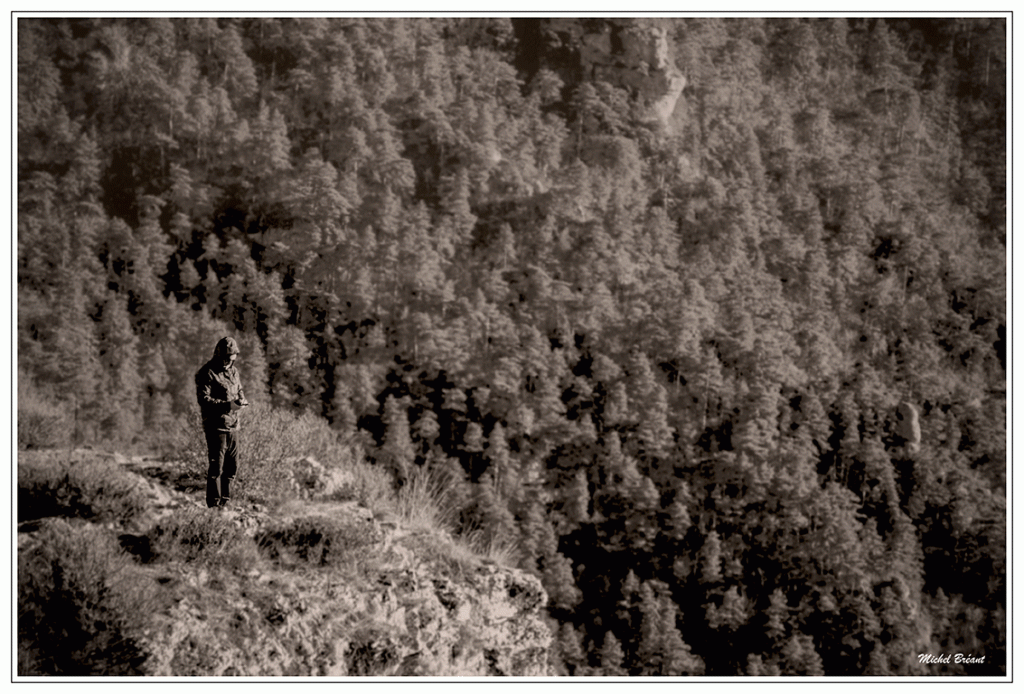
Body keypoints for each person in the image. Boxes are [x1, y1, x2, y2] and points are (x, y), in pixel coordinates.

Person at [195, 337, 249, 508]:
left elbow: (239, 388)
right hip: (215, 427)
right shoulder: (206, 373)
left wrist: (242, 400)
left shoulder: (234, 371)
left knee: (232, 467)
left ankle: (226, 503)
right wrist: (228, 405)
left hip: (233, 426)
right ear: (219, 355)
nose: (229, 362)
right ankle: (214, 506)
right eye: (227, 359)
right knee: (216, 469)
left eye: (232, 359)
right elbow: (204, 400)